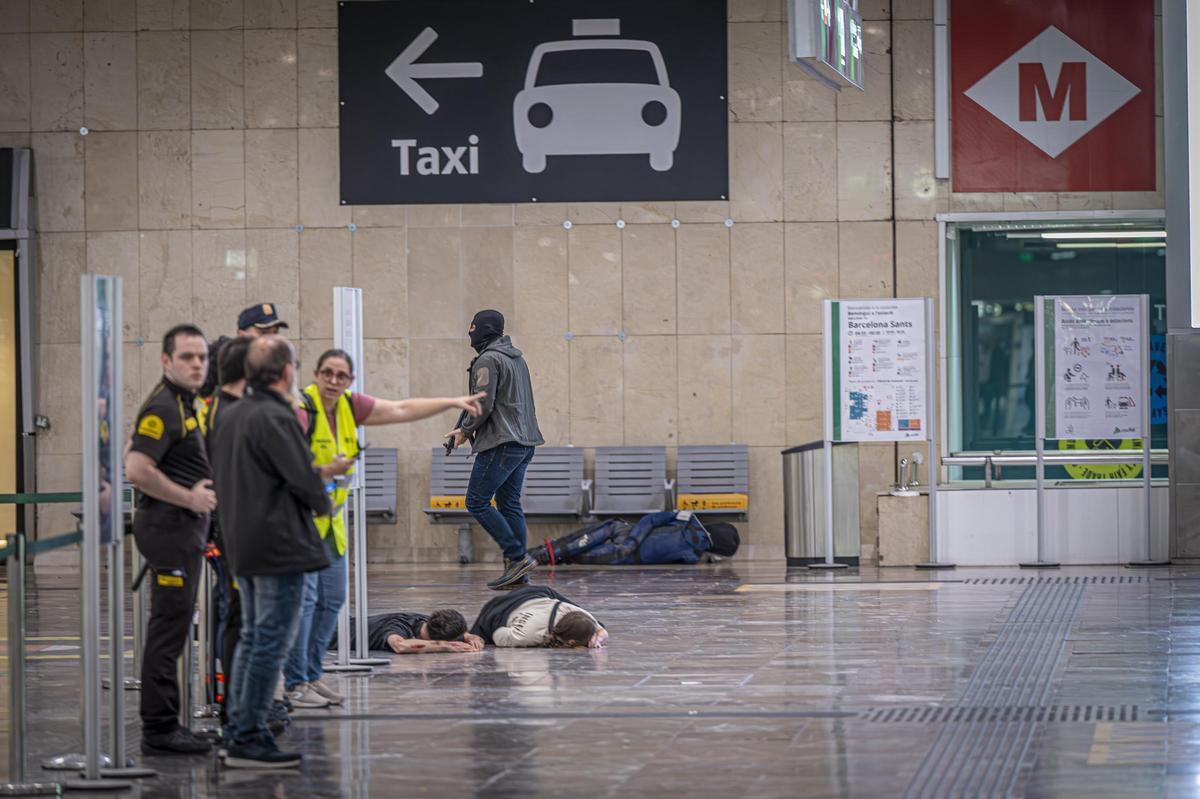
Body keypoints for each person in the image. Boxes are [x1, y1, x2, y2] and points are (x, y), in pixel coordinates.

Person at [282, 348, 485, 709]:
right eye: (327, 373)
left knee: (331, 604)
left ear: (350, 380)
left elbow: (401, 409)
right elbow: (283, 468)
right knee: (306, 606)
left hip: (332, 528)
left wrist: (452, 401)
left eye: (341, 376)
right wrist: (325, 472)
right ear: (315, 373)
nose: (333, 381)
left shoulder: (349, 406)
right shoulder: (301, 410)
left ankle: (312, 675)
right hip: (301, 525)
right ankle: (296, 681)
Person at [211, 335, 343, 769]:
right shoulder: (275, 414)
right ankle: (250, 737)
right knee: (269, 642)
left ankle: (238, 728)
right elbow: (302, 479)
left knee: (252, 638)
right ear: (286, 371)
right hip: (278, 546)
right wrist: (325, 498)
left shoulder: (231, 413)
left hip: (243, 544)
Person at [125, 324, 217, 756]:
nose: (197, 363)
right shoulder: (163, 407)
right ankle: (159, 729)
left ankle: (168, 723)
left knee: (177, 628)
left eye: (202, 357)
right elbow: (137, 468)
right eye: (187, 357)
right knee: (168, 630)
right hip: (167, 529)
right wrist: (190, 498)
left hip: (183, 531)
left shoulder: (187, 403)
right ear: (167, 361)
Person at [447, 310, 545, 591]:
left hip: (501, 443)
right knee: (509, 504)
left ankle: (517, 557)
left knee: (476, 501)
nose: (469, 333)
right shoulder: (517, 359)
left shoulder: (488, 360)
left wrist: (465, 431)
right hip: (524, 443)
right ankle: (517, 573)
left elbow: (483, 403)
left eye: (473, 328)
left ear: (484, 330)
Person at [529, 513, 741, 566]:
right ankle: (538, 557)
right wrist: (633, 543)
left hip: (624, 533)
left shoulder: (687, 519)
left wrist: (633, 539)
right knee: (575, 554)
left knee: (574, 545)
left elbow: (651, 519)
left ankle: (535, 555)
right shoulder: (692, 556)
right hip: (627, 551)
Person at [469, 586, 608, 649]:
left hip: (537, 593)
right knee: (480, 637)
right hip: (501, 608)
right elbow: (498, 635)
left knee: (593, 625)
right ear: (570, 642)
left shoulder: (575, 612)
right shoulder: (527, 635)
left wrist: (599, 638)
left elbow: (603, 633)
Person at [199, 302, 289, 398]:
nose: (270, 339)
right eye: (263, 333)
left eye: (275, 333)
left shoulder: (275, 365)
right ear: (241, 334)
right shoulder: (217, 366)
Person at [330, 610, 485, 655]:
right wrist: (446, 646)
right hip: (323, 635)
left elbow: (458, 631)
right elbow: (401, 646)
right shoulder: (398, 626)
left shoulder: (427, 622)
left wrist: (470, 636)